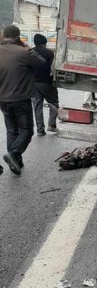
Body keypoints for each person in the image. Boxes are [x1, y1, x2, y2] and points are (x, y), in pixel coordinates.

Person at [0, 24, 46, 175]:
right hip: (20, 98)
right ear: (18, 37)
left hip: (3, 99)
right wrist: (25, 46)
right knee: (26, 130)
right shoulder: (24, 52)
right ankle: (14, 154)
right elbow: (41, 62)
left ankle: (16, 161)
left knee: (12, 130)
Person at [31, 33, 59, 135]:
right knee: (54, 102)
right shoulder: (49, 53)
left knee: (37, 106)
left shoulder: (30, 52)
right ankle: (51, 125)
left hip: (33, 84)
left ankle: (40, 130)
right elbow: (53, 68)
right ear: (44, 43)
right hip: (47, 82)